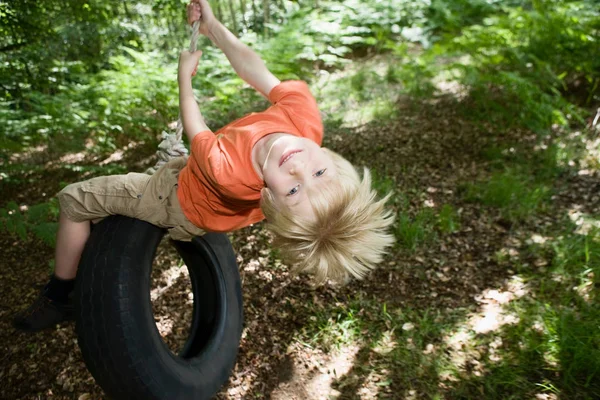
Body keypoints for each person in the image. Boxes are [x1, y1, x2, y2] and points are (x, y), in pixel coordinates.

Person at [13, 0, 394, 332]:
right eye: (319, 173)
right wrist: (212, 28)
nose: (298, 170)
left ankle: (61, 293)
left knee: (73, 199)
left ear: (270, 199)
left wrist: (184, 76)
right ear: (332, 159)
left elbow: (195, 126)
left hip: (176, 199)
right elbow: (253, 69)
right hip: (204, 186)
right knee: (175, 168)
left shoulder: (225, 170)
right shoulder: (305, 121)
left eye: (294, 190)